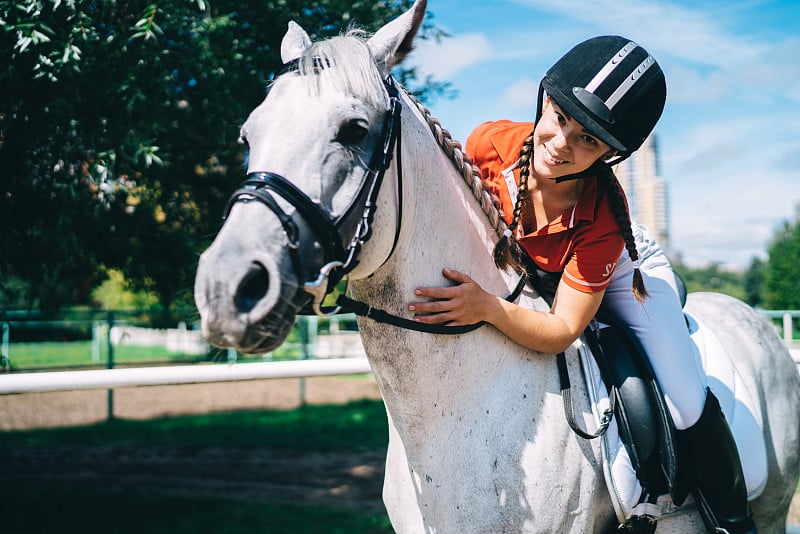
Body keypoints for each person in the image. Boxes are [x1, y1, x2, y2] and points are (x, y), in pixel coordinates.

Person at [408, 36, 756, 534]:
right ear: (544, 103)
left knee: (684, 397)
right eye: (559, 118)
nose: (561, 143)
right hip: (542, 269)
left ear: (611, 153)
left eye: (587, 140)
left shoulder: (603, 220)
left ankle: (733, 520)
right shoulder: (487, 144)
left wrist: (486, 308)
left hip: (622, 272)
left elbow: (564, 329)